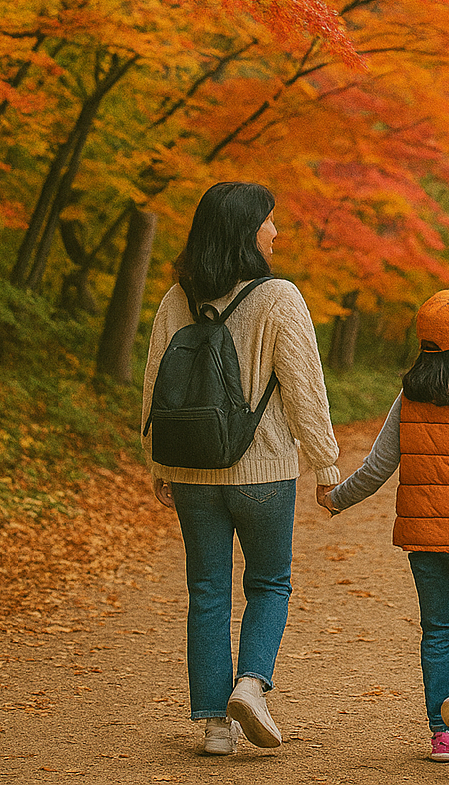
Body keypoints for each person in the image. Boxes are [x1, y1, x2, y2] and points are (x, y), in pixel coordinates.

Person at [141, 181, 342, 755]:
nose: (275, 233)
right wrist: (325, 462)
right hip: (263, 471)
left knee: (206, 590)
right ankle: (251, 686)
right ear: (245, 231)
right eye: (268, 223)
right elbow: (305, 388)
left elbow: (156, 381)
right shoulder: (280, 298)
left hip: (194, 471)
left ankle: (213, 727)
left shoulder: (175, 298)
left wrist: (159, 459)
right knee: (269, 583)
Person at [320, 289, 449, 765]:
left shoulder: (408, 400)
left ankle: (443, 737)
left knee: (438, 632)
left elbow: (377, 468)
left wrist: (336, 499)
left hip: (425, 543)